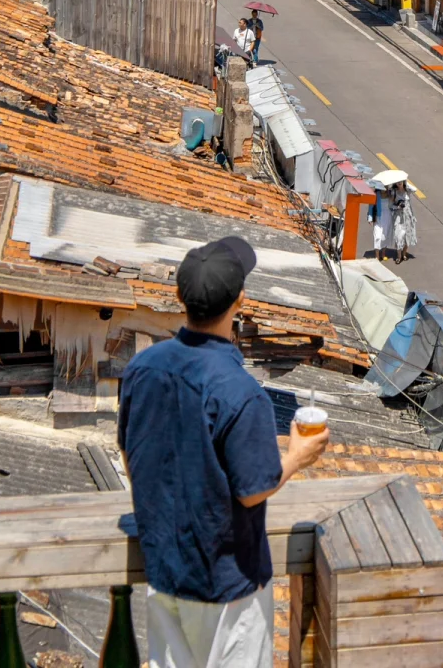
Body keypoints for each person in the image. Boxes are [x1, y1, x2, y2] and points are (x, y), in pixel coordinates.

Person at [119, 236, 329, 668]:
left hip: (164, 570)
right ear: (240, 301)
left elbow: (131, 457)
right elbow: (252, 491)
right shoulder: (241, 392)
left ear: (180, 298)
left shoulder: (142, 368)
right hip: (227, 585)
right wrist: (297, 456)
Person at [388, 183, 417, 265]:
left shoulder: (407, 190)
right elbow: (390, 206)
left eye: (401, 181)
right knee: (399, 236)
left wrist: (406, 184)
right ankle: (399, 256)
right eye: (398, 182)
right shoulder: (394, 192)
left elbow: (415, 189)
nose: (399, 183)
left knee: (407, 236)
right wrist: (397, 207)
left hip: (408, 216)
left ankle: (404, 253)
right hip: (398, 217)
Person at [368, 187, 394, 262]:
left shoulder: (390, 194)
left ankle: (383, 254)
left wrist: (392, 198)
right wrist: (370, 217)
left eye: (385, 187)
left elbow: (392, 206)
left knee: (385, 235)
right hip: (378, 217)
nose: (384, 188)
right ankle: (377, 256)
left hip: (388, 216)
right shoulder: (375, 194)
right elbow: (371, 206)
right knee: (377, 236)